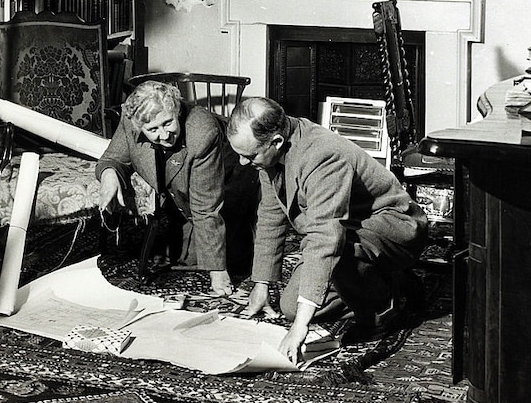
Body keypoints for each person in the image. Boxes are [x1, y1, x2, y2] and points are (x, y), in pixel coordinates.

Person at [226, 97, 428, 361]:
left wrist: (300, 327)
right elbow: (270, 214)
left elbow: (325, 237)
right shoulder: (270, 152)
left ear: (276, 142)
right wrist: (261, 285)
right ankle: (384, 281)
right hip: (349, 227)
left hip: (394, 226)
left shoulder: (322, 154)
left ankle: (381, 310)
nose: (242, 163)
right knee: (290, 307)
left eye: (249, 156)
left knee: (331, 255)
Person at [96, 80, 257, 296]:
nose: (163, 135)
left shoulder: (202, 134)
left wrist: (217, 270)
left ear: (177, 110)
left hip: (232, 176)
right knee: (184, 257)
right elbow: (114, 157)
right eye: (152, 129)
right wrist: (110, 175)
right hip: (182, 193)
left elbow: (206, 206)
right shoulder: (131, 118)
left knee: (234, 259)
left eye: (168, 123)